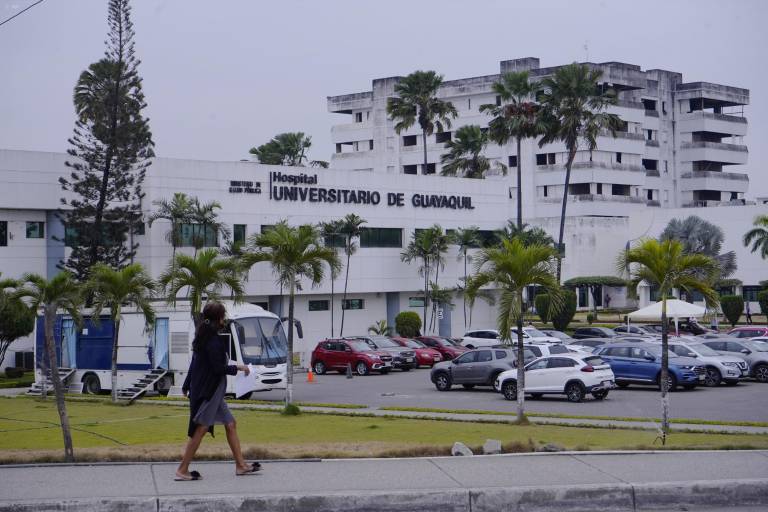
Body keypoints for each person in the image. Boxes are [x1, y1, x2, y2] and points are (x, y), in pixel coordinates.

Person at [176, 302, 259, 481]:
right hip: (209, 392)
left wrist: (186, 384)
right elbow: (217, 368)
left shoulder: (204, 336)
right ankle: (182, 470)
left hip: (214, 391)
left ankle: (241, 466)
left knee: (230, 424)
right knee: (201, 428)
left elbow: (195, 363)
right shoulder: (213, 340)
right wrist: (239, 367)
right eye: (223, 316)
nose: (224, 320)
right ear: (218, 319)